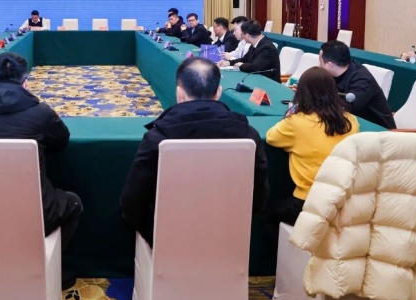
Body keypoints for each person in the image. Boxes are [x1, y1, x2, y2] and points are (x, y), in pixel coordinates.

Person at [0, 52, 82, 288]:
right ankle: (49, 270)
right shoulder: (42, 113)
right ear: (25, 82)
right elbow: (60, 142)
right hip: (33, 212)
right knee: (73, 202)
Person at [120, 57, 269, 247]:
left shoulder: (158, 138)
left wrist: (157, 234)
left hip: (168, 238)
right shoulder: (248, 136)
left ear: (179, 93)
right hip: (229, 237)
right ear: (219, 92)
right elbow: (259, 197)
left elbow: (132, 203)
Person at [266, 67, 360, 227]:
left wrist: (291, 113)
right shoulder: (351, 120)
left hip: (308, 202)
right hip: (343, 201)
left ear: (301, 93)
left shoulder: (296, 122)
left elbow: (271, 137)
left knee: (266, 212)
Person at [320, 40, 396, 128]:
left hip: (378, 130)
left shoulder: (362, 80)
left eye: (320, 61)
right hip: (352, 124)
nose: (319, 65)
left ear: (329, 65)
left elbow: (346, 108)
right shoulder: (335, 73)